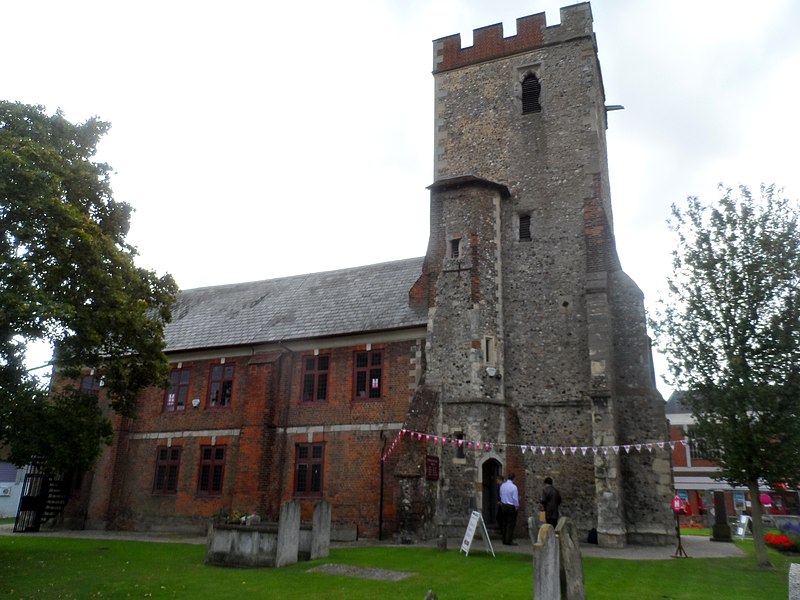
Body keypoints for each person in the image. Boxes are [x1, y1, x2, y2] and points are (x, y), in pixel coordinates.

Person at [499, 473, 519, 545]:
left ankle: (504, 540)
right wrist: (516, 507)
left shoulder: (502, 486)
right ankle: (509, 540)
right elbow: (515, 499)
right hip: (511, 506)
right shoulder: (514, 487)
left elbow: (501, 495)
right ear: (514, 479)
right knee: (510, 524)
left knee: (504, 523)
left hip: (504, 506)